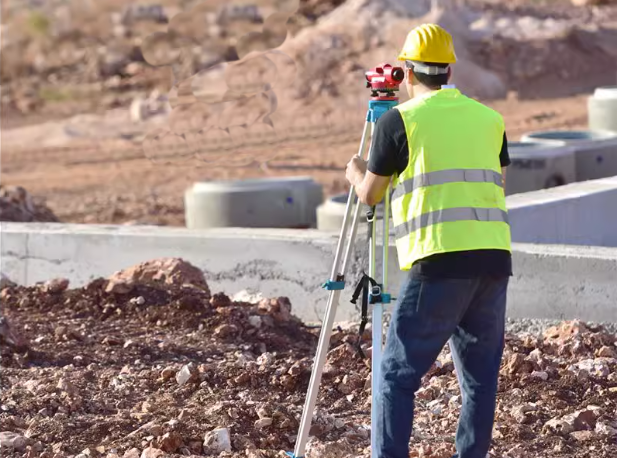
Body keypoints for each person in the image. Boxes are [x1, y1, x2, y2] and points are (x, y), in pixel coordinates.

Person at [344, 23, 512, 458]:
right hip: (493, 260)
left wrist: (354, 172)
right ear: (449, 69)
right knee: (479, 381)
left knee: (395, 376)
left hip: (439, 261)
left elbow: (372, 195)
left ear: (407, 72)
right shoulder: (490, 119)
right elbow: (497, 183)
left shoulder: (400, 121)